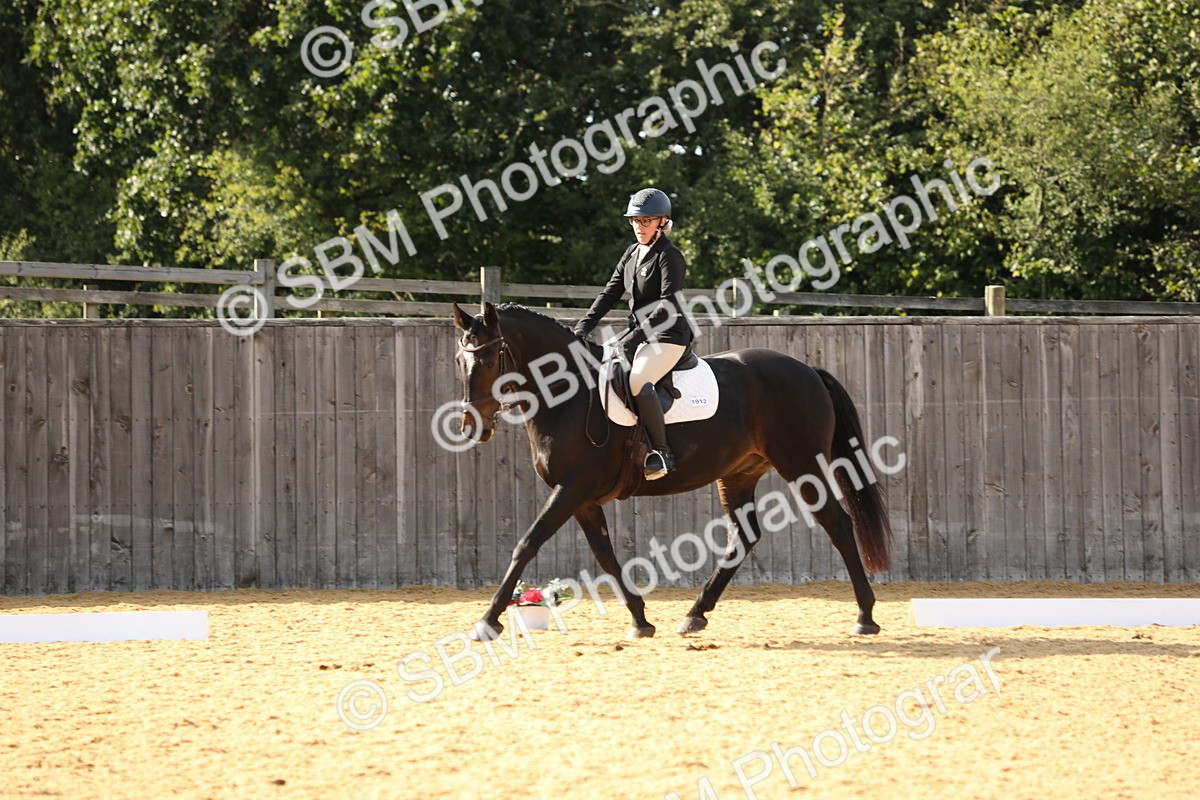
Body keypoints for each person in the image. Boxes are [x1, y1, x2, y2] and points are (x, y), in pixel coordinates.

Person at [574, 187, 693, 480]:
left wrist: (633, 339)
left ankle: (662, 454)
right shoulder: (631, 253)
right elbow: (610, 292)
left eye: (646, 221)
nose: (639, 227)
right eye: (635, 221)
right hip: (637, 332)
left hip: (668, 335)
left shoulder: (670, 256)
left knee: (638, 379)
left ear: (662, 223)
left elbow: (667, 308)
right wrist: (583, 327)